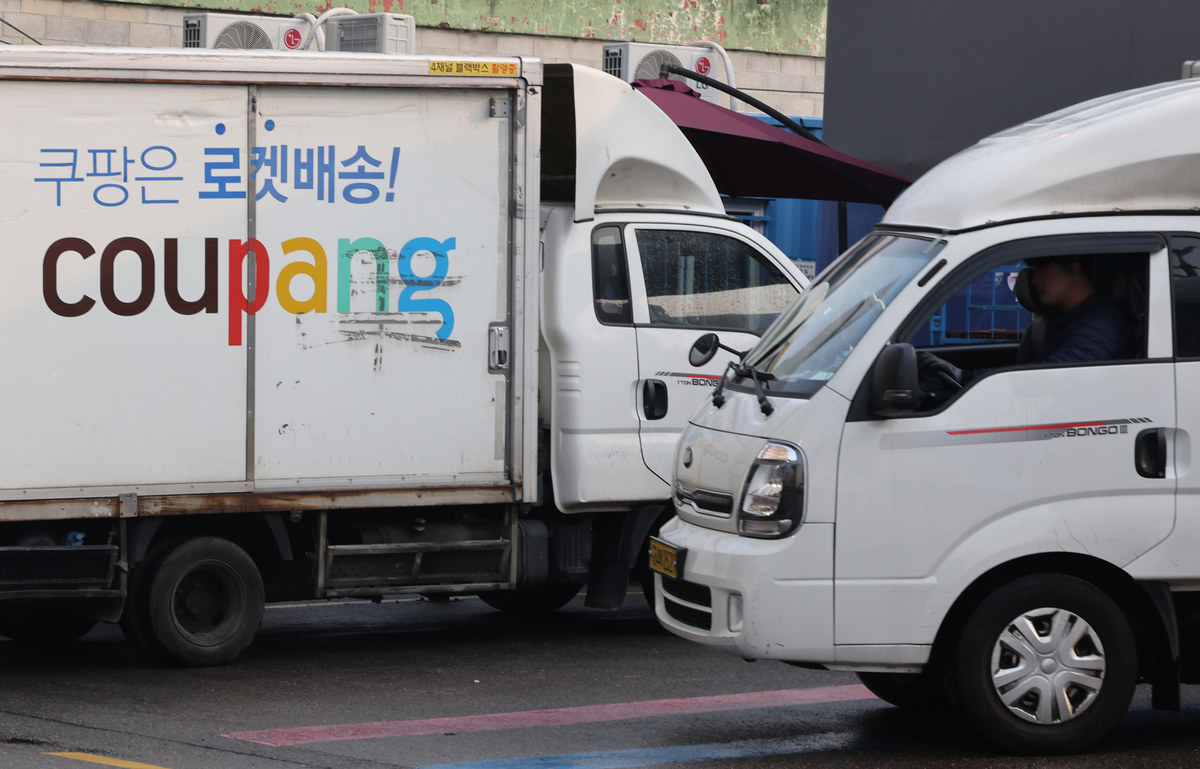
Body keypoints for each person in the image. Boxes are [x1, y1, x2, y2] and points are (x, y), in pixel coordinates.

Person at [916, 254, 1135, 385]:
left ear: (1074, 271)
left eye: (1042, 270)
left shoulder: (1100, 328)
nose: (1034, 280)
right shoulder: (1069, 317)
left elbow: (1040, 380)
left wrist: (963, 375)